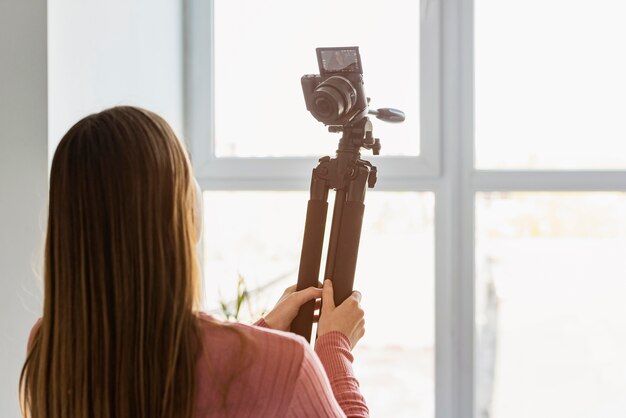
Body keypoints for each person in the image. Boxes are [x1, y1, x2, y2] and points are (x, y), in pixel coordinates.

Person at [19, 106, 369, 418]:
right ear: (178, 215)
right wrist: (334, 346)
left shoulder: (51, 348)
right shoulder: (288, 364)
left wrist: (256, 335)